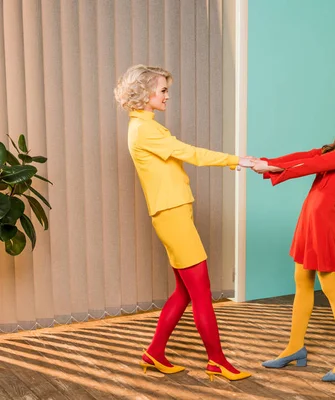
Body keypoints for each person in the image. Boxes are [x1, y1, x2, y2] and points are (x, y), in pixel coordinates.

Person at [114, 64, 253, 382]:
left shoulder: (145, 125)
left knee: (184, 292)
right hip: (172, 215)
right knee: (201, 292)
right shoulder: (145, 129)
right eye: (163, 90)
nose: (167, 96)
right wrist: (237, 160)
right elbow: (189, 153)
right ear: (145, 92)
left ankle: (154, 353)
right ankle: (217, 361)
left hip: (174, 213)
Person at [252, 88, 335, 382]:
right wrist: (266, 160)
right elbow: (310, 154)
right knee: (302, 281)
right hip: (311, 214)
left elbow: (318, 165)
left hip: (325, 218)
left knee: (330, 288)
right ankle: (294, 347)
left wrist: (275, 169)